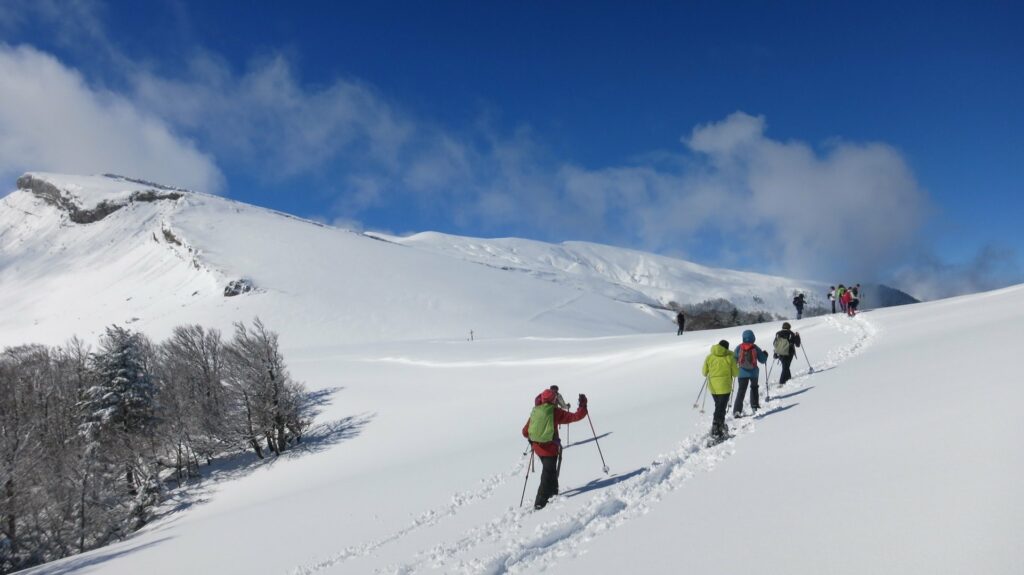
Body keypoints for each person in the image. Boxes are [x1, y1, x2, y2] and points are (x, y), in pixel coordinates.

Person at [522, 389, 588, 510]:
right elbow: (576, 416)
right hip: (550, 450)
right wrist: (583, 406)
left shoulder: (536, 410)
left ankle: (553, 492)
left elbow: (525, 432)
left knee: (550, 470)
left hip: (537, 447)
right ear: (554, 400)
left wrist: (536, 437)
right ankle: (539, 502)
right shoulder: (555, 412)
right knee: (547, 474)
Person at [702, 340, 738, 439]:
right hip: (725, 387)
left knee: (719, 406)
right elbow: (736, 373)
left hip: (713, 388)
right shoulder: (729, 357)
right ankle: (716, 428)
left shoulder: (709, 357)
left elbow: (704, 372)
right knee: (720, 408)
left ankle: (720, 425)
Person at [733, 330, 769, 417]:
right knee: (754, 388)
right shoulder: (755, 347)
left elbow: (734, 360)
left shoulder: (739, 347)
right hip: (753, 373)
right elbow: (762, 360)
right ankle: (754, 406)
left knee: (741, 391)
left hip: (741, 373)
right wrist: (765, 355)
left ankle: (737, 410)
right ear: (753, 338)